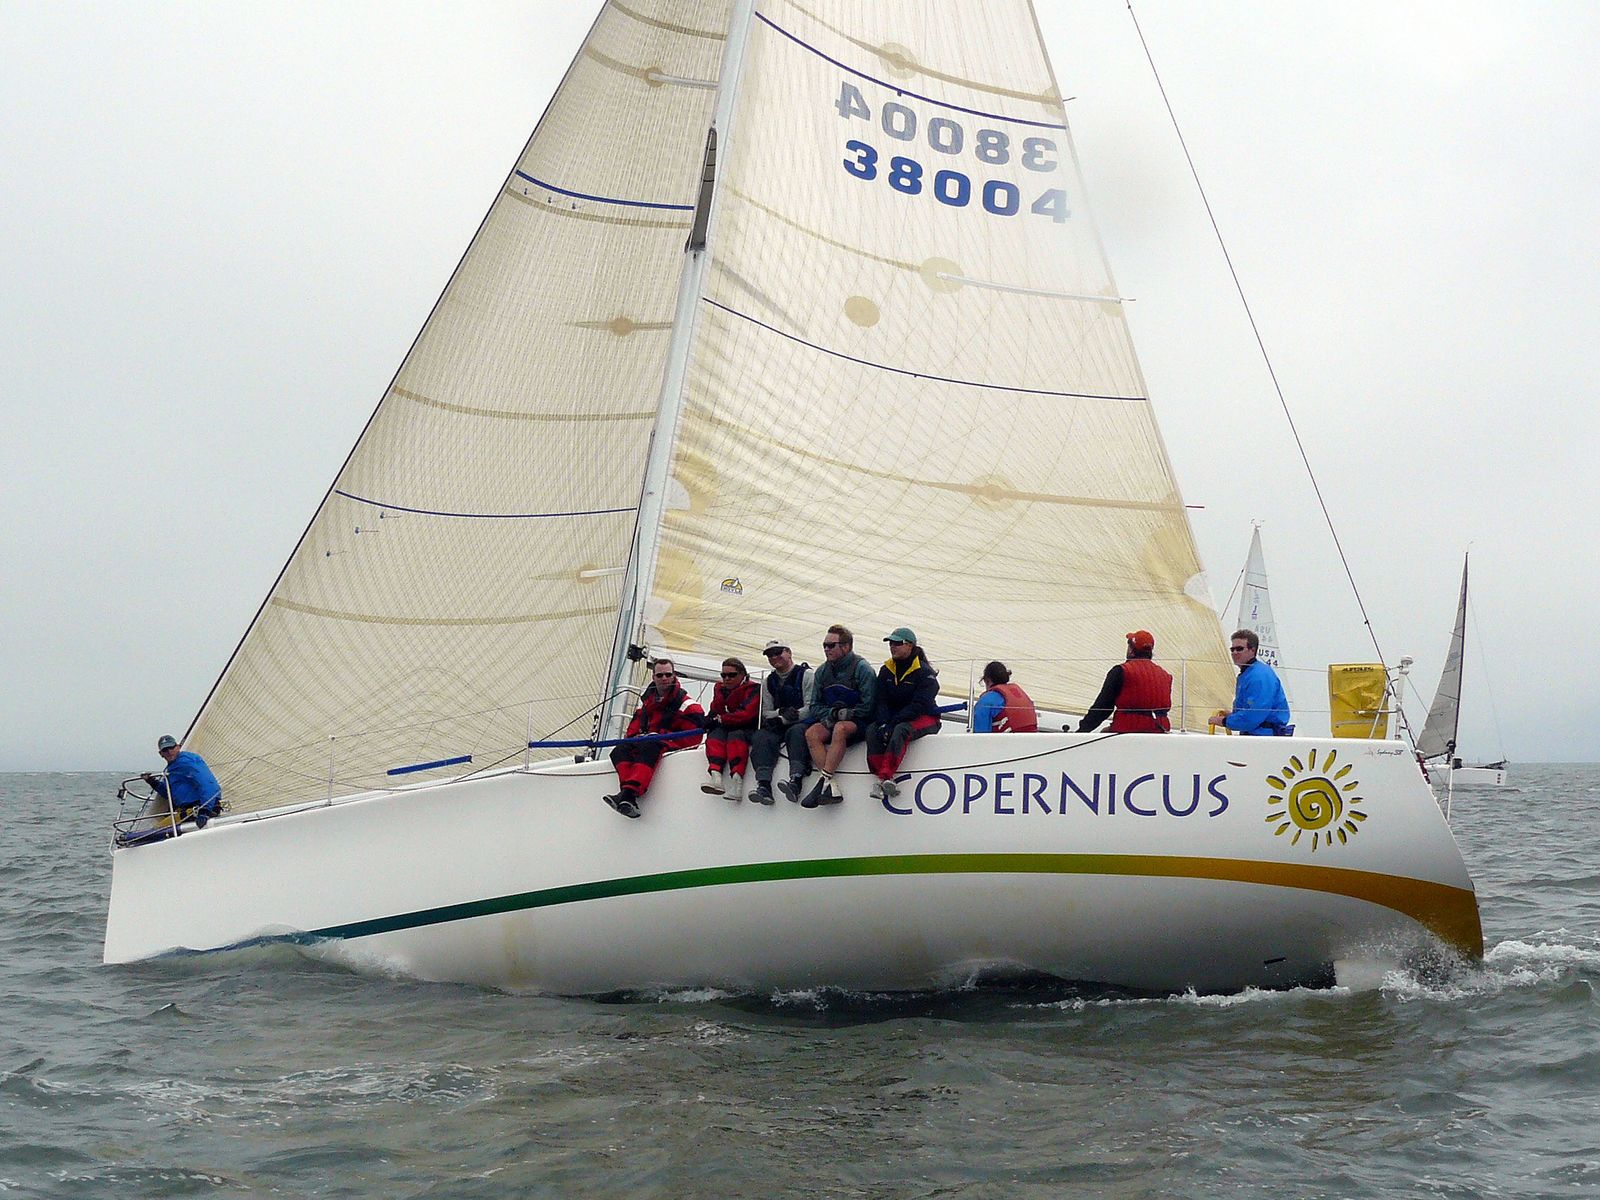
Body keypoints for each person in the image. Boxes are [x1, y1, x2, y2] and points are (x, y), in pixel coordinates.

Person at [604, 659, 705, 818]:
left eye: (668, 675)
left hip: (670, 746)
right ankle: (627, 794)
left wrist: (660, 737)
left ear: (674, 676)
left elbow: (693, 739)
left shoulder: (689, 706)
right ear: (653, 677)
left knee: (650, 747)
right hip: (649, 743)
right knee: (619, 750)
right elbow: (631, 732)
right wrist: (638, 738)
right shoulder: (646, 705)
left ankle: (628, 794)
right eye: (660, 675)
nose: (664, 678)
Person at [789, 624, 875, 807]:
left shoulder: (863, 669)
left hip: (859, 722)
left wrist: (849, 714)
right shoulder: (822, 671)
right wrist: (832, 713)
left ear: (846, 646)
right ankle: (830, 784)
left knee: (840, 728)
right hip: (833, 719)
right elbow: (814, 705)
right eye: (824, 646)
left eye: (831, 645)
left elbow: (869, 706)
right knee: (812, 732)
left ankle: (823, 781)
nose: (826, 649)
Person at [866, 627, 942, 799]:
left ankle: (885, 776)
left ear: (910, 645)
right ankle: (881, 775)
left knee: (901, 730)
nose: (892, 647)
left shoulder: (925, 673)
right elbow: (881, 700)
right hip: (896, 717)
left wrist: (892, 723)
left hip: (925, 717)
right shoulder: (886, 670)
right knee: (872, 730)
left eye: (897, 643)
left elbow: (919, 705)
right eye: (891, 643)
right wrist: (883, 723)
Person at [748, 639, 810, 806]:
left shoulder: (807, 675)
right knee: (761, 736)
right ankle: (763, 784)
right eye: (770, 655)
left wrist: (786, 717)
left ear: (788, 652)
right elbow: (766, 712)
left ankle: (796, 780)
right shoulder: (768, 682)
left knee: (796, 732)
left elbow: (811, 707)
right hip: (779, 724)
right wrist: (780, 713)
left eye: (778, 652)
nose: (774, 657)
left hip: (802, 722)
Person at [1078, 630, 1174, 733]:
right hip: (1160, 732)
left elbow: (1103, 708)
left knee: (1103, 733)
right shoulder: (1166, 676)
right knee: (1106, 731)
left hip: (1128, 731)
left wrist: (1082, 730)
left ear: (1131, 651)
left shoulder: (1121, 671)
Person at [1210, 629, 1293, 735]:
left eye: (1239, 649)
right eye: (1232, 649)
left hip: (1264, 737)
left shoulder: (1259, 676)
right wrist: (1232, 717)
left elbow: (1254, 715)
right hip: (1255, 735)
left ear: (1252, 650)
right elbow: (1252, 712)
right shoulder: (1248, 674)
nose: (1234, 652)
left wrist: (1224, 721)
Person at [701, 657, 760, 801]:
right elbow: (715, 710)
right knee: (714, 736)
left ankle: (737, 783)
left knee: (735, 737)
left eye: (731, 675)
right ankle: (716, 776)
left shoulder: (754, 689)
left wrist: (722, 719)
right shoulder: (720, 690)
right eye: (723, 675)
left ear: (742, 675)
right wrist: (709, 719)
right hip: (726, 728)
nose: (727, 679)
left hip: (746, 729)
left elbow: (747, 714)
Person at [142, 734, 223, 828]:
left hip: (200, 809)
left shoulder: (187, 761)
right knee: (157, 828)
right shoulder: (171, 768)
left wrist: (205, 810)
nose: (169, 752)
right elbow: (169, 793)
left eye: (171, 747)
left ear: (178, 747)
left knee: (157, 829)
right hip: (189, 810)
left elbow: (208, 784)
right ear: (161, 754)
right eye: (165, 750)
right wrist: (152, 781)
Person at [971, 661, 1038, 733]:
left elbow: (980, 734)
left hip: (1008, 739)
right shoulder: (1019, 693)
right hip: (1032, 738)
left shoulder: (985, 702)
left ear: (987, 680)